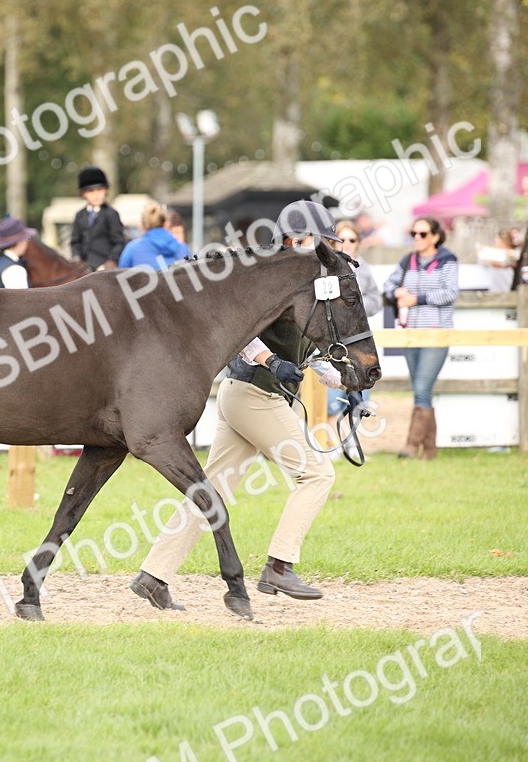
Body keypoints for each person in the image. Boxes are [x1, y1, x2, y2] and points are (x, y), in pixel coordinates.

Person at [130, 201, 363, 616]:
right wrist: (271, 361)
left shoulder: (303, 283)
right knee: (317, 475)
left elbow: (311, 356)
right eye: (321, 241)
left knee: (212, 490)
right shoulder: (266, 279)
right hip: (256, 395)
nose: (327, 249)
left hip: (243, 395)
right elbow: (236, 332)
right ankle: (279, 566)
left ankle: (153, 575)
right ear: (294, 240)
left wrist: (348, 381)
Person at [382, 216, 459, 460]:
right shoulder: (407, 260)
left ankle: (410, 445)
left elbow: (450, 293)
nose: (417, 238)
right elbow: (388, 285)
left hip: (436, 333)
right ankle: (430, 450)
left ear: (435, 237)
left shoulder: (448, 261)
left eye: (423, 234)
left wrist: (417, 299)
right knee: (420, 389)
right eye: (414, 233)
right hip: (410, 334)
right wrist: (396, 292)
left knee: (422, 387)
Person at [327, 220, 381, 425]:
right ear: (333, 241)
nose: (347, 244)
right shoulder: (325, 266)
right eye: (342, 239)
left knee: (359, 395)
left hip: (358, 339)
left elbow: (376, 301)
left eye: (352, 239)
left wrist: (355, 306)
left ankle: (352, 438)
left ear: (358, 242)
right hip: (332, 339)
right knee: (331, 397)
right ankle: (330, 439)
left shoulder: (364, 268)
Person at [70, 166, 126, 271]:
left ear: (106, 190)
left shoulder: (111, 214)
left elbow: (119, 242)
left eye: (99, 190)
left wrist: (111, 260)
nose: (96, 195)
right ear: (83, 194)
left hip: (104, 266)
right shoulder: (80, 215)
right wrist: (76, 256)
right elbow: (75, 241)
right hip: (84, 266)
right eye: (91, 191)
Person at [118, 202, 190, 269]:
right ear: (166, 224)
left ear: (142, 226)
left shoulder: (132, 249)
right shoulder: (183, 248)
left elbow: (120, 276)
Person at [0, 216, 35, 289]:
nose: (27, 242)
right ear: (19, 241)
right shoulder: (15, 269)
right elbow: (21, 296)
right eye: (27, 238)